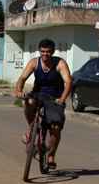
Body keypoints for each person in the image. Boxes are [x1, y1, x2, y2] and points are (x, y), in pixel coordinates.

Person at [14, 39, 72, 170]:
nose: (45, 54)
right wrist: (18, 90)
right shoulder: (34, 62)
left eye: (48, 52)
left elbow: (68, 82)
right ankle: (31, 128)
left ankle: (51, 155)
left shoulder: (60, 63)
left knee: (56, 128)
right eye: (43, 51)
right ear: (39, 51)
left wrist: (62, 99)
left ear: (53, 52)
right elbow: (22, 78)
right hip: (38, 94)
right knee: (28, 101)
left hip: (55, 98)